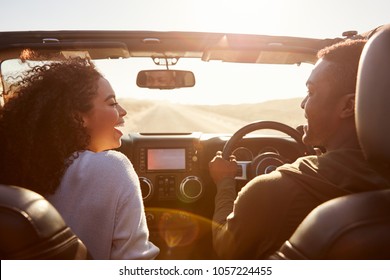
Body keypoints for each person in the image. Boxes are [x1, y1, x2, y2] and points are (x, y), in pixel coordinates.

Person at [209, 39, 390, 259]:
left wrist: (224, 183)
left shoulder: (274, 191)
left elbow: (224, 248)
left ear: (348, 106)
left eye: (311, 92)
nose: (303, 103)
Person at [0, 58, 159, 260]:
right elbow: (135, 262)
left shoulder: (20, 167)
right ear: (78, 117)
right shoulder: (113, 167)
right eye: (112, 102)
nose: (122, 111)